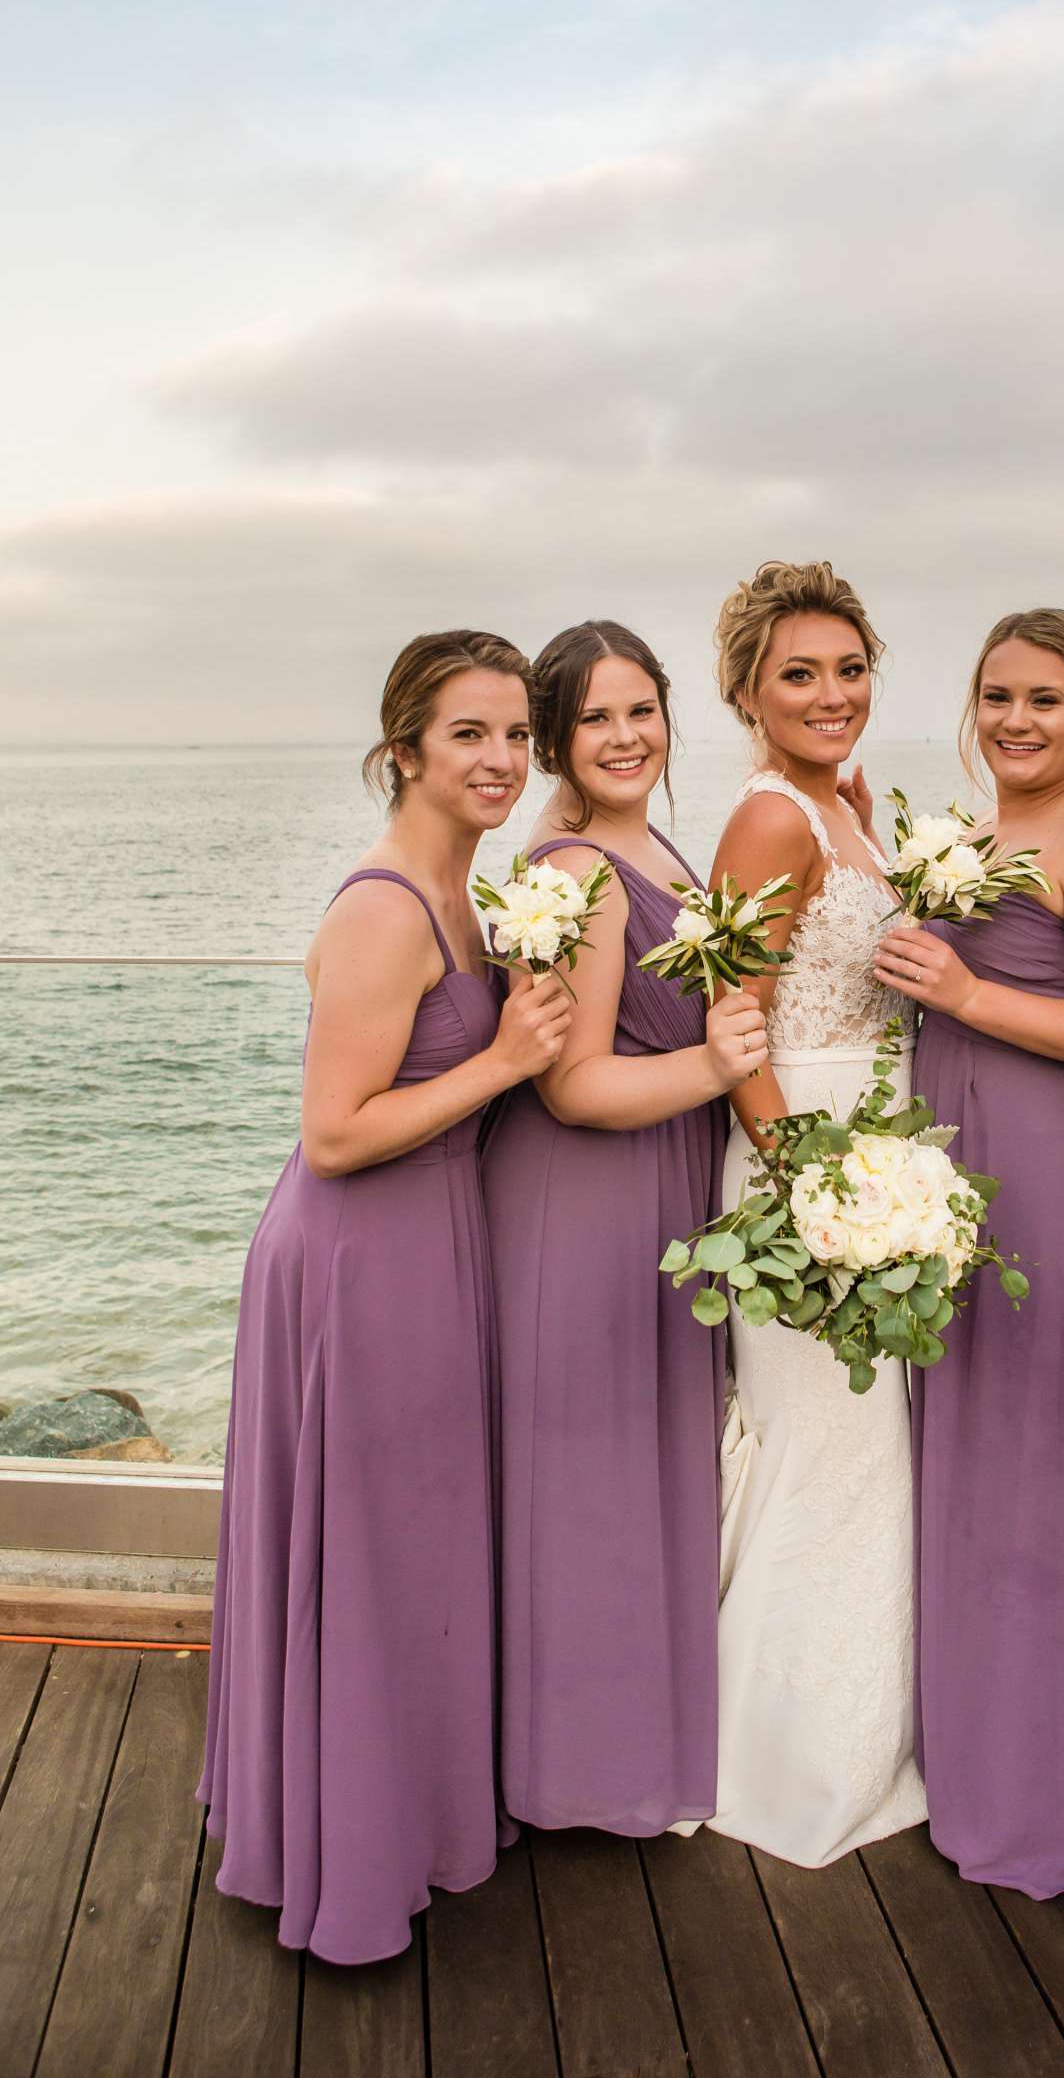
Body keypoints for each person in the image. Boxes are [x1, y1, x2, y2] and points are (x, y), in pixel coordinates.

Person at [200, 630, 571, 1963]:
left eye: (518, 734)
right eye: (470, 733)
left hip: (429, 1245)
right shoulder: (382, 907)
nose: (499, 760)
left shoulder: (468, 898)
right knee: (366, 1548)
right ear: (404, 746)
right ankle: (343, 1854)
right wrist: (508, 1060)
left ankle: (399, 1811)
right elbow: (336, 1133)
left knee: (408, 1546)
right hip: (357, 1257)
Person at [875, 607, 1064, 1898]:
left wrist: (967, 994)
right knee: (979, 1470)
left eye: (1043, 699)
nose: (1014, 721)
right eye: (996, 696)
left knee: (1058, 1477)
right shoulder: (978, 837)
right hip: (965, 1177)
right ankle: (981, 1760)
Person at [481, 620, 765, 1836]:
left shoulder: (651, 848)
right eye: (595, 718)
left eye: (640, 709)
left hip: (656, 1188)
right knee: (586, 1481)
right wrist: (713, 1069)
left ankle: (624, 1744)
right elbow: (571, 1084)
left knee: (641, 1468)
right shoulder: (573, 872)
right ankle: (573, 1771)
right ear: (556, 737)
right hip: (581, 1197)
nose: (624, 736)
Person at [696, 559, 926, 1864]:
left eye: (849, 669)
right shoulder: (774, 820)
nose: (832, 693)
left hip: (870, 1154)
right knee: (815, 1444)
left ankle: (849, 1734)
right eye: (800, 674)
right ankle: (767, 1762)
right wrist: (810, 1188)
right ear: (746, 692)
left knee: (860, 1451)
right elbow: (736, 1025)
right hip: (797, 1166)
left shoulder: (850, 809)